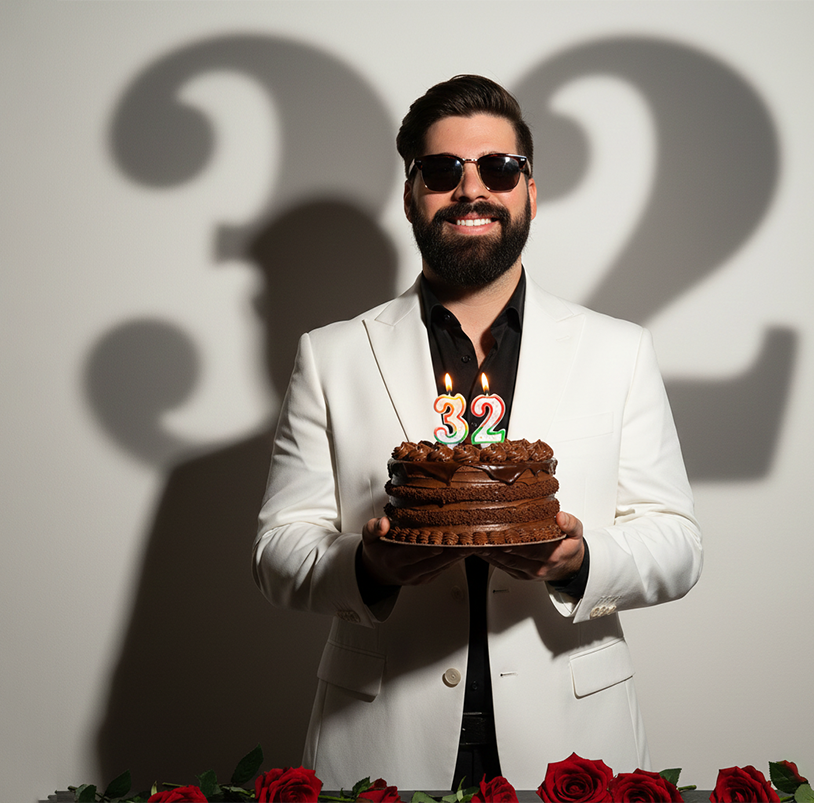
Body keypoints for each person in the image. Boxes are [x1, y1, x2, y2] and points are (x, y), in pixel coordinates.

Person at [253, 75, 702, 792]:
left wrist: (578, 561)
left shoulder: (618, 351)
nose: (470, 190)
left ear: (531, 191)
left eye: (498, 168)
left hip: (574, 736)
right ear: (410, 195)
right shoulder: (332, 355)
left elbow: (677, 544)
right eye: (441, 171)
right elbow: (278, 553)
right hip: (381, 735)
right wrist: (369, 568)